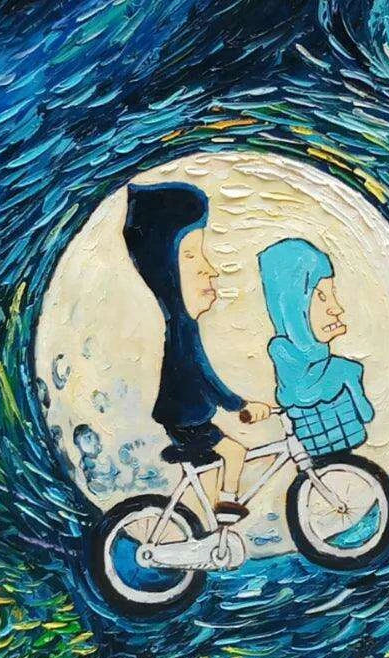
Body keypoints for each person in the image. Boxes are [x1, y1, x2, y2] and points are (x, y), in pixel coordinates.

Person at [123, 182, 269, 517]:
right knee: (235, 452)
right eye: (190, 255)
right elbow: (203, 376)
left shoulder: (183, 326)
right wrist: (239, 404)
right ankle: (226, 504)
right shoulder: (183, 333)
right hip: (187, 422)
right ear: (164, 269)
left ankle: (210, 519)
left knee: (215, 464)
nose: (210, 269)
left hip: (187, 420)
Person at [257, 238, 373, 455]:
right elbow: (301, 392)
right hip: (318, 436)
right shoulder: (283, 351)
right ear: (292, 306)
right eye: (321, 297)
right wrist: (345, 372)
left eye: (332, 294)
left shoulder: (320, 356)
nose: (336, 308)